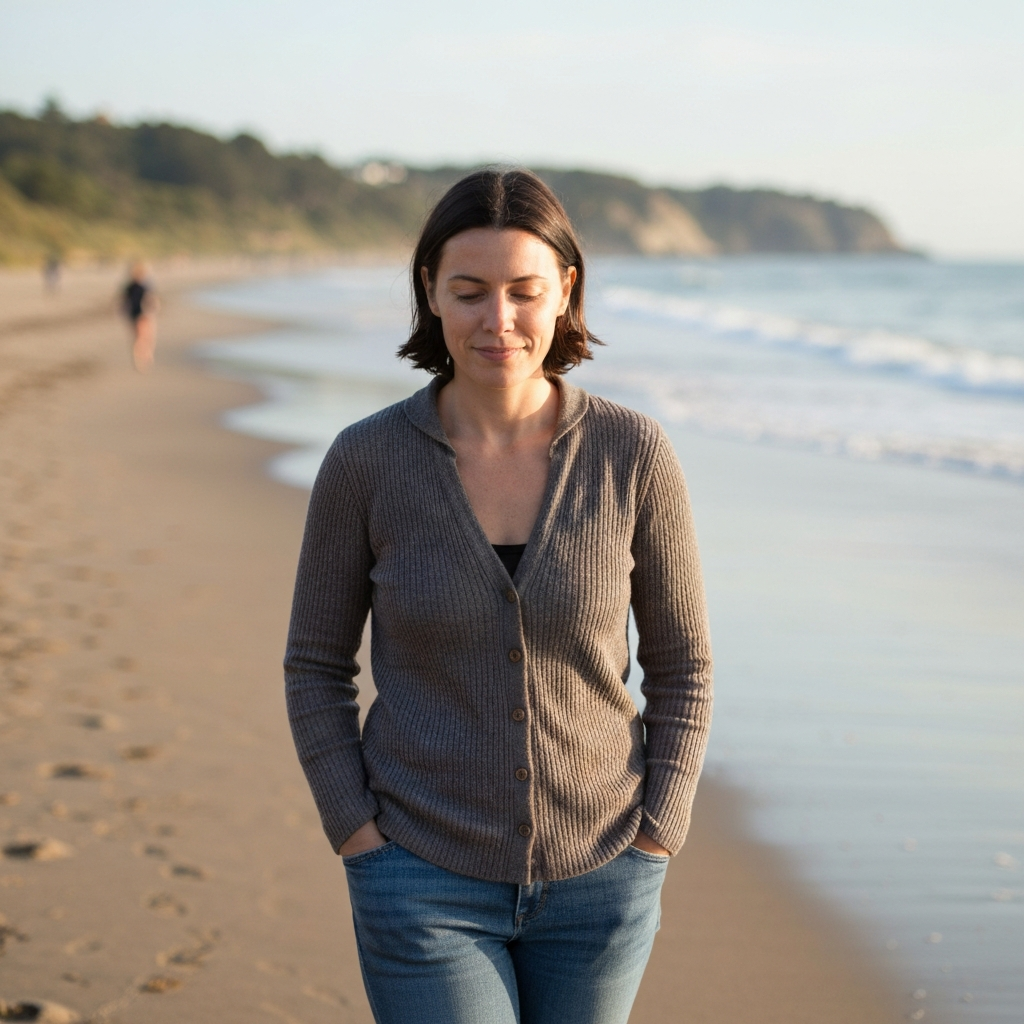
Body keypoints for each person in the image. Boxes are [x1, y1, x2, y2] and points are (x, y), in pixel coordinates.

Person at [285, 169, 713, 1024]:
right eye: (470, 291)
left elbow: (683, 665)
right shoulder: (366, 461)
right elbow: (315, 666)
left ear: (566, 291)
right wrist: (357, 835)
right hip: (418, 874)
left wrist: (659, 832)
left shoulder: (633, 453)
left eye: (524, 290)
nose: (499, 320)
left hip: (606, 876)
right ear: (430, 292)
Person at [121, 261, 157, 372]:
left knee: (140, 337)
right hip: (142, 314)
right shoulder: (143, 286)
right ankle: (143, 358)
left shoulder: (129, 286)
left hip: (133, 314)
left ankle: (141, 357)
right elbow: (151, 301)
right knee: (145, 337)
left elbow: (124, 302)